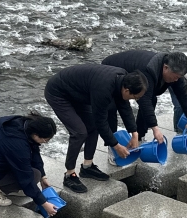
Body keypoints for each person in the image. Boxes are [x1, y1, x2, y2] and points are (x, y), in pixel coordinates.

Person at [45, 64, 148, 193]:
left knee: (92, 127)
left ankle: (87, 167)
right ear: (126, 90)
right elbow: (102, 122)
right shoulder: (104, 88)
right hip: (59, 93)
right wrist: (116, 146)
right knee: (80, 132)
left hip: (79, 92)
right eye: (135, 97)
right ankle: (69, 175)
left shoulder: (123, 77)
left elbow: (124, 107)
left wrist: (134, 133)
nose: (135, 100)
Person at [102, 50, 187, 144]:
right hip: (111, 70)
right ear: (165, 67)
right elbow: (145, 101)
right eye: (175, 77)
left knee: (152, 100)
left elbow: (184, 96)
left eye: (179, 77)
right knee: (112, 106)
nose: (176, 80)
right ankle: (112, 145)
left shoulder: (176, 74)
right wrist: (155, 129)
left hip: (133, 71)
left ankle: (139, 137)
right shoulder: (149, 70)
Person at [0, 112, 58, 216]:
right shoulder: (17, 144)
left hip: (4, 162)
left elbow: (35, 152)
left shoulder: (23, 125)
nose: (45, 142)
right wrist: (44, 203)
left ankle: (10, 188)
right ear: (36, 135)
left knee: (38, 174)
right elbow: (25, 176)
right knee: (34, 176)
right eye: (45, 140)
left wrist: (43, 178)